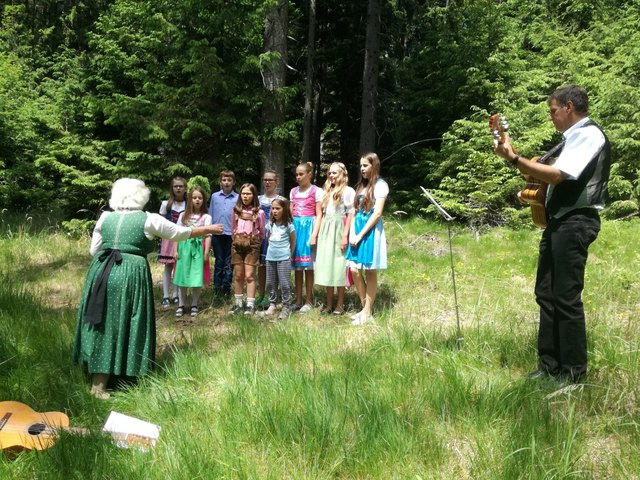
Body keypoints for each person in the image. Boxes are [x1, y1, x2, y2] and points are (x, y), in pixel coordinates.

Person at [494, 84, 611, 383]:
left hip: (576, 222)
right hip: (558, 222)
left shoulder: (589, 135)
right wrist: (535, 194)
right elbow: (548, 177)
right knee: (546, 294)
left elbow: (560, 175)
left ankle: (573, 375)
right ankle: (549, 367)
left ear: (569, 107)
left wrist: (514, 159)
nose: (551, 117)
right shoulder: (569, 141)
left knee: (566, 297)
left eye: (553, 111)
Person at [73, 178, 224, 398]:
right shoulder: (148, 219)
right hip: (130, 273)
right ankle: (119, 378)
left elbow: (94, 250)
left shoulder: (106, 217)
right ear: (141, 195)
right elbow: (178, 233)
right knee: (127, 318)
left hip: (100, 272)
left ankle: (99, 378)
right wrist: (207, 229)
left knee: (102, 320)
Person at [345, 153, 389, 325]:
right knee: (354, 270)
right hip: (357, 229)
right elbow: (354, 212)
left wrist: (361, 233)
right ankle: (364, 308)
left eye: (365, 165)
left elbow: (377, 213)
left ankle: (367, 311)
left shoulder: (380, 186)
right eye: (361, 165)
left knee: (370, 270)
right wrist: (352, 234)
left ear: (374, 166)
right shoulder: (360, 186)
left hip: (370, 231)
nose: (362, 168)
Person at [315, 162, 355, 315]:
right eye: (330, 173)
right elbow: (323, 213)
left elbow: (351, 213)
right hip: (327, 229)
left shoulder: (348, 191)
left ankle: (340, 303)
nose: (331, 175)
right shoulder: (326, 191)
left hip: (339, 227)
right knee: (327, 265)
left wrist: (345, 235)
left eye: (335, 173)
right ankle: (329, 302)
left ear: (343, 174)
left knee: (338, 265)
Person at [172, 187, 212, 318]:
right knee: (182, 276)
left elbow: (208, 235)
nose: (197, 200)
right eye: (194, 197)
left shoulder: (206, 217)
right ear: (190, 199)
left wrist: (206, 253)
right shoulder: (184, 215)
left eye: (200, 198)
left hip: (198, 249)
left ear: (203, 200)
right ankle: (181, 304)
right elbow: (176, 234)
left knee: (196, 276)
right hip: (184, 248)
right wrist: (175, 250)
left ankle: (194, 304)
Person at [289, 162, 323, 312]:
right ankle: (298, 299)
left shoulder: (316, 191)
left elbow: (319, 214)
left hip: (309, 229)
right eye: (296, 174)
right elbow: (290, 214)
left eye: (301, 174)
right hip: (296, 229)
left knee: (308, 267)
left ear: (309, 174)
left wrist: (314, 234)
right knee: (297, 267)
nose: (298, 177)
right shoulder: (293, 191)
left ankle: (308, 300)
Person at [229, 183, 266, 315]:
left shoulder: (259, 212)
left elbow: (262, 232)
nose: (245, 196)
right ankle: (238, 304)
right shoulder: (236, 211)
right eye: (243, 193)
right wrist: (236, 239)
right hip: (237, 244)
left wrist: (256, 242)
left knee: (249, 275)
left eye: (248, 194)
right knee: (238, 275)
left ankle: (250, 304)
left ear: (254, 195)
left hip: (252, 245)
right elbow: (233, 227)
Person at [261, 198, 296, 320]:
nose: (274, 211)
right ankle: (272, 304)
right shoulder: (270, 225)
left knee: (285, 284)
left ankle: (286, 306)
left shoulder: (289, 226)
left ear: (284, 209)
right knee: (270, 283)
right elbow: (269, 239)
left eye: (278, 208)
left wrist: (288, 254)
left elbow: (293, 241)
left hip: (284, 258)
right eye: (273, 208)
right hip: (270, 258)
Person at [256, 170, 285, 309]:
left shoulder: (282, 200)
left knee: (276, 266)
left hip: (277, 236)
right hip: (262, 236)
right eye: (265, 180)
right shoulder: (258, 199)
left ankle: (275, 294)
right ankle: (262, 294)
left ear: (276, 182)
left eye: (270, 180)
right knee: (262, 266)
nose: (267, 182)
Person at [158, 177, 187, 308]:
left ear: (185, 188)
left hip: (183, 237)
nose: (178, 188)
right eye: (176, 186)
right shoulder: (166, 204)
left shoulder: (188, 204)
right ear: (172, 188)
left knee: (179, 266)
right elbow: (161, 222)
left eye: (181, 186)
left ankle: (176, 294)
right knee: (168, 266)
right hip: (169, 238)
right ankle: (165, 295)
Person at [208, 170, 238, 299]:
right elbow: (210, 214)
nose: (226, 183)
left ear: (233, 182)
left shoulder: (237, 197)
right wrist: (209, 231)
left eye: (229, 180)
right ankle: (217, 288)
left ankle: (226, 288)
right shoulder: (215, 196)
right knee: (219, 260)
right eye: (224, 180)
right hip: (217, 233)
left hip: (231, 234)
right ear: (220, 182)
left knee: (229, 261)